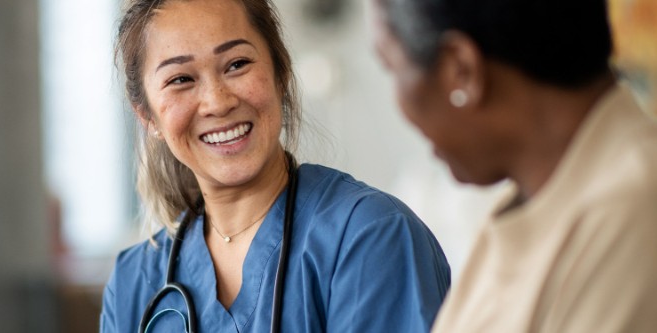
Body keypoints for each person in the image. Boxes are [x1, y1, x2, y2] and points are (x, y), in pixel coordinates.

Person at [370, 0, 657, 331]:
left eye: (392, 68)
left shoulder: (641, 218)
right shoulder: (536, 204)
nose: (399, 106)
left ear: (460, 70)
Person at [100, 0, 452, 332]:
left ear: (280, 73)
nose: (217, 103)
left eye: (237, 64)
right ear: (147, 116)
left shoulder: (370, 236)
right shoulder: (133, 283)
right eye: (181, 80)